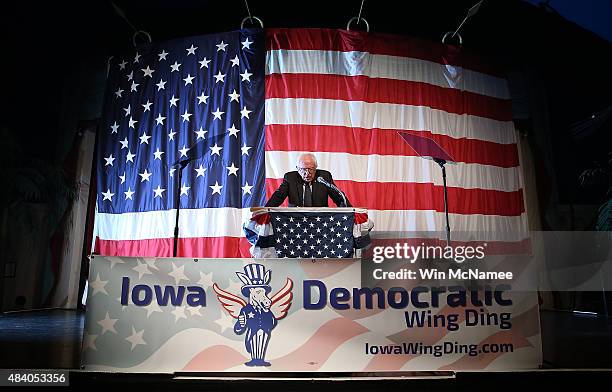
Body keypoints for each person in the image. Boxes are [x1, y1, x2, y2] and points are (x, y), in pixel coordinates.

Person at [265, 153, 351, 207]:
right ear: (297, 169)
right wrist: (266, 211)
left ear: (316, 168)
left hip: (320, 220)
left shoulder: (324, 176)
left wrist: (350, 211)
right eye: (303, 169)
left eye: (311, 169)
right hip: (295, 220)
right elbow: (278, 197)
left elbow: (338, 197)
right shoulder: (290, 178)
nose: (307, 173)